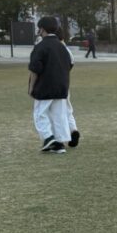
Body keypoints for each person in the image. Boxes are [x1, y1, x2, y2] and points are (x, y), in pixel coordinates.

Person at [28, 16, 73, 153]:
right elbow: (69, 64)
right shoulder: (62, 47)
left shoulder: (40, 47)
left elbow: (35, 69)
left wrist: (31, 87)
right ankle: (60, 143)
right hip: (61, 86)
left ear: (42, 29)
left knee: (40, 113)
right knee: (59, 115)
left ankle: (48, 138)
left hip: (45, 86)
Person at [57, 29, 81, 148]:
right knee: (68, 109)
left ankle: (60, 137)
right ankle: (73, 130)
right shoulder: (67, 50)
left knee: (57, 111)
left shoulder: (55, 49)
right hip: (65, 83)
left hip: (54, 84)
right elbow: (71, 64)